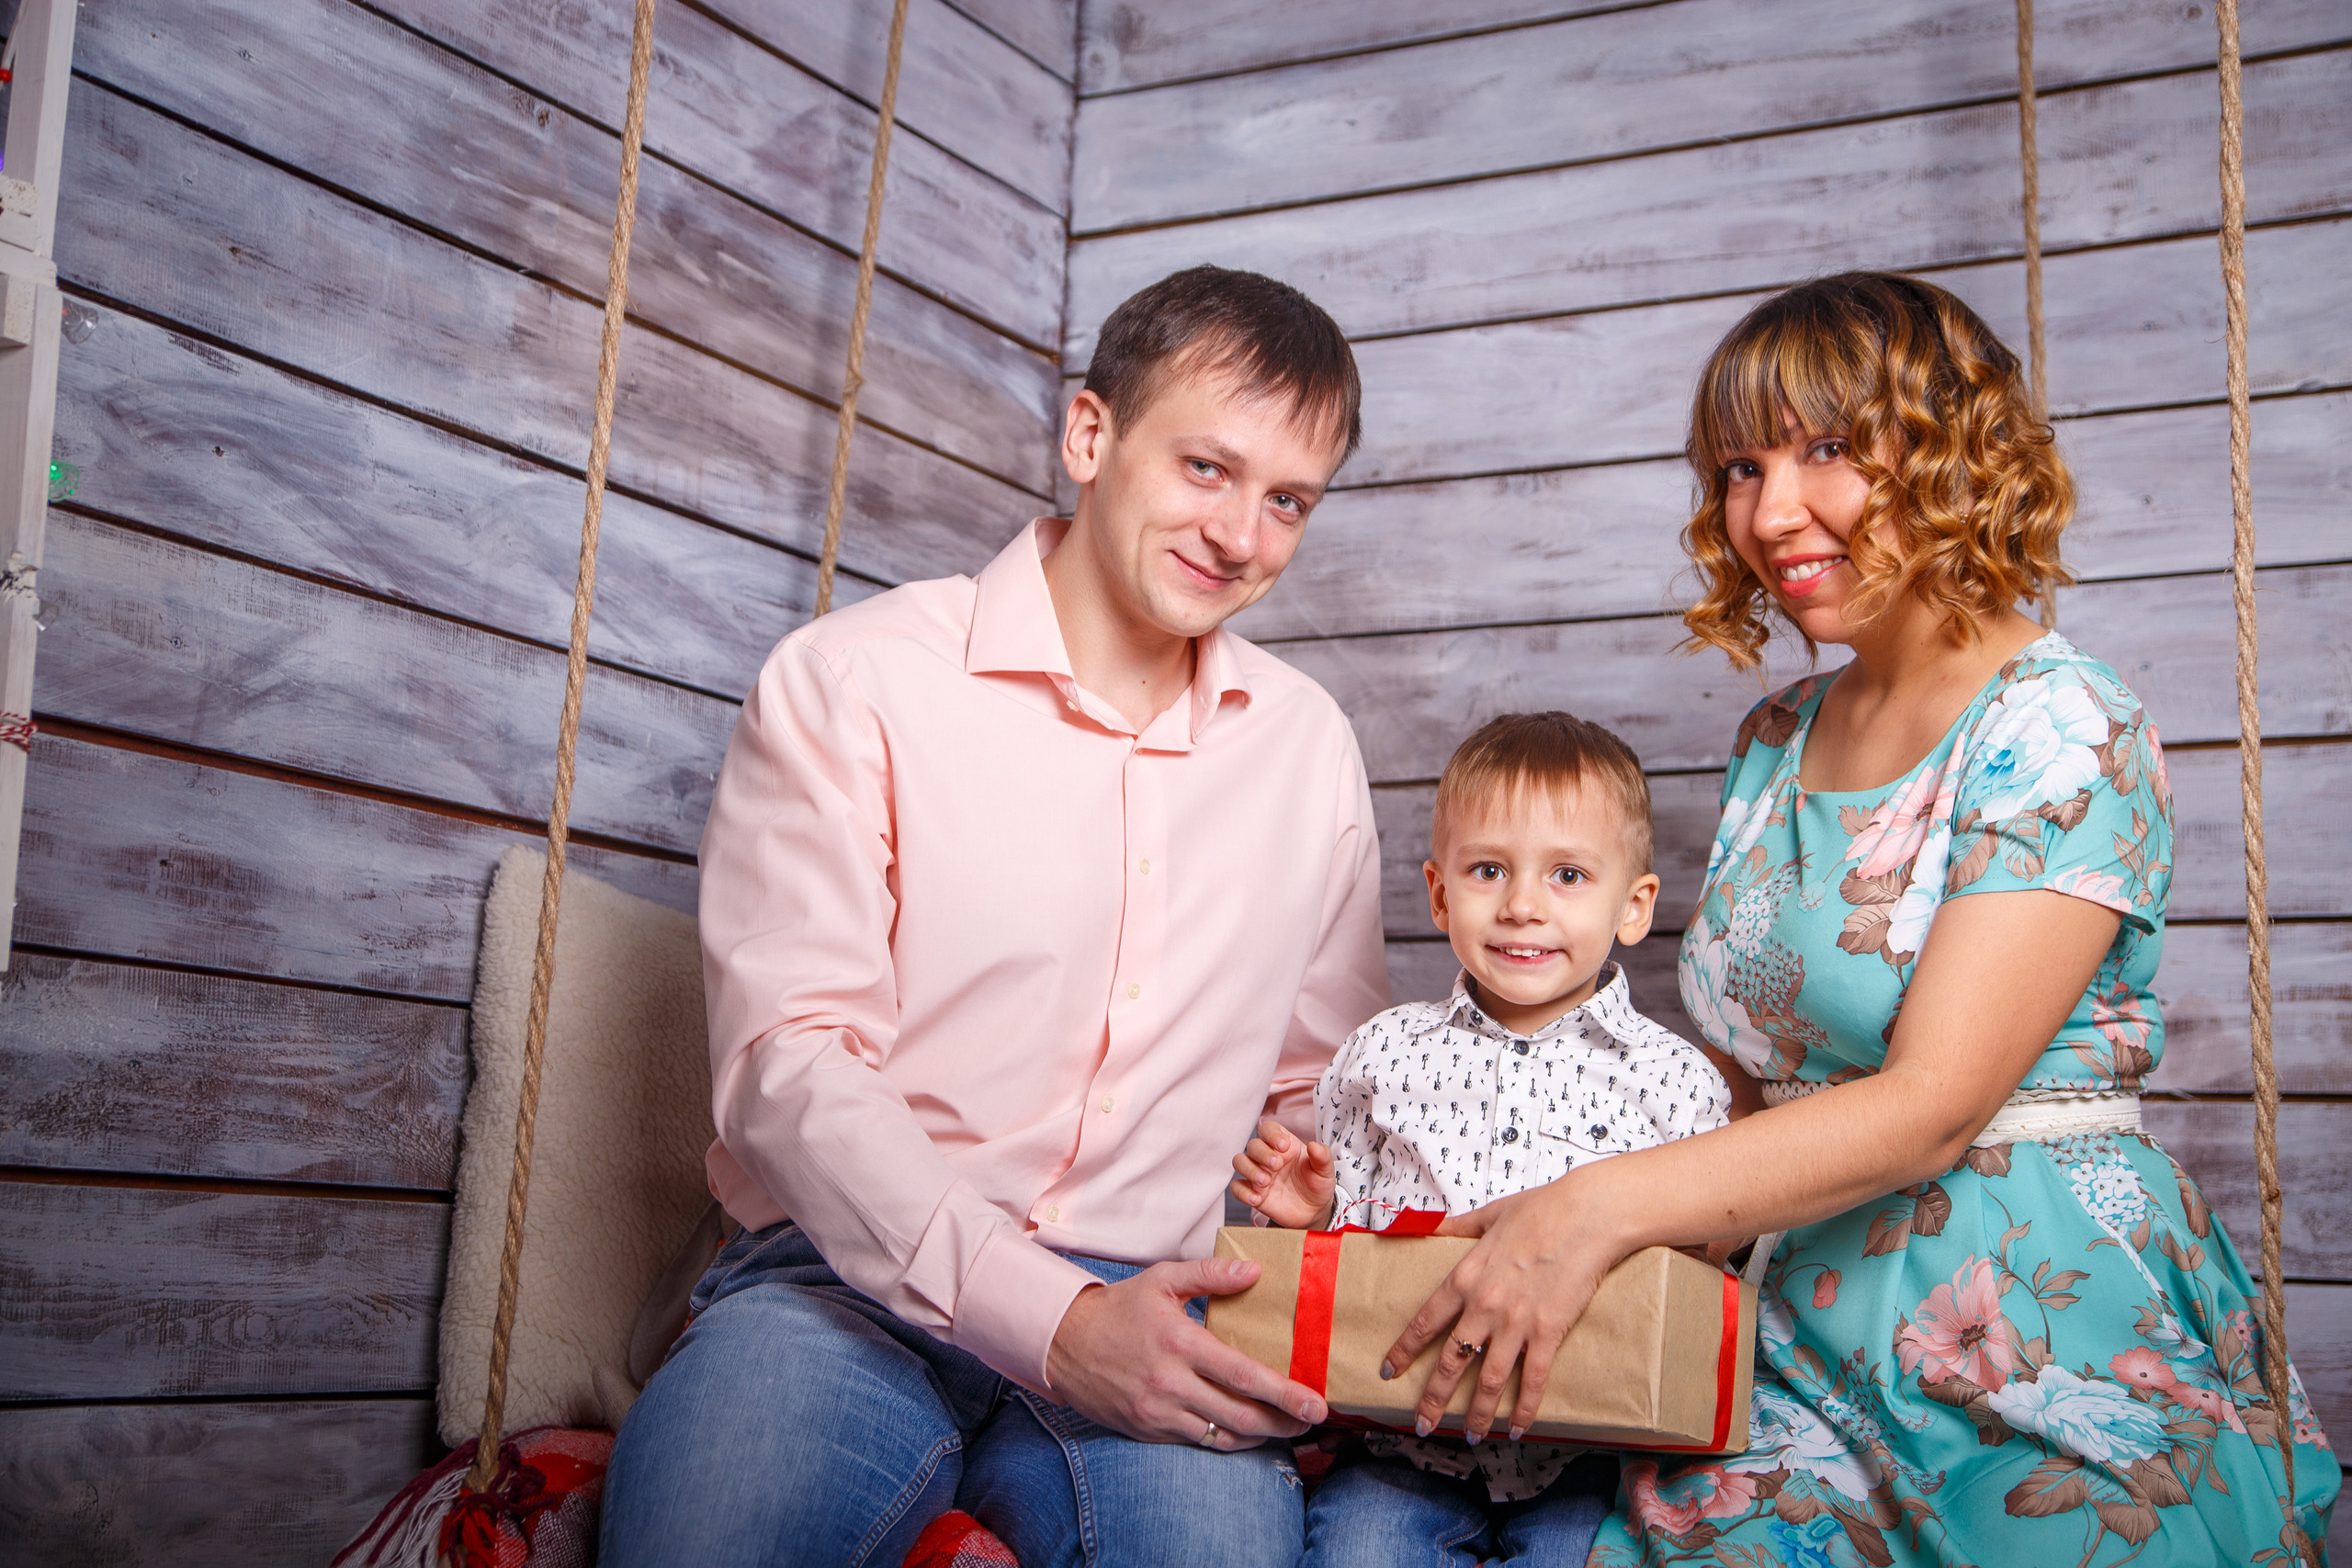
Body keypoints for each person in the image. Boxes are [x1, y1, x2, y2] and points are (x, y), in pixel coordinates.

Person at [1367, 273, 2339, 1564]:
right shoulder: (1776, 735)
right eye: (1739, 466)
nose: (1772, 512)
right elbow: (1736, 1069)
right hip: (1775, 1332)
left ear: (1952, 447)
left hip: (2024, 1327)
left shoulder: (2061, 722)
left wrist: (1590, 1209)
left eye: (1828, 448)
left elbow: (1931, 1100)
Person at [599, 265, 1394, 1568]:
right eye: (1206, 466)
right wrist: (1051, 1314)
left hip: (1159, 1298)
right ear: (1091, 435)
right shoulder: (852, 683)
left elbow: (1324, 1093)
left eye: (1287, 499)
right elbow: (787, 1068)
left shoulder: (1308, 748)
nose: (1241, 533)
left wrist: (1322, 1176)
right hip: (835, 1281)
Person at [1232, 711, 1734, 1567]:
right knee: (1354, 1555)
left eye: (1568, 874)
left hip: (1592, 1453)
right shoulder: (1381, 1056)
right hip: (1397, 1444)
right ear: (1438, 892)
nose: (1523, 905)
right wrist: (1310, 1215)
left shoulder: (1676, 1080)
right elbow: (1352, 1252)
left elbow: (1701, 1265)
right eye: (1489, 869)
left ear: (1634, 906)